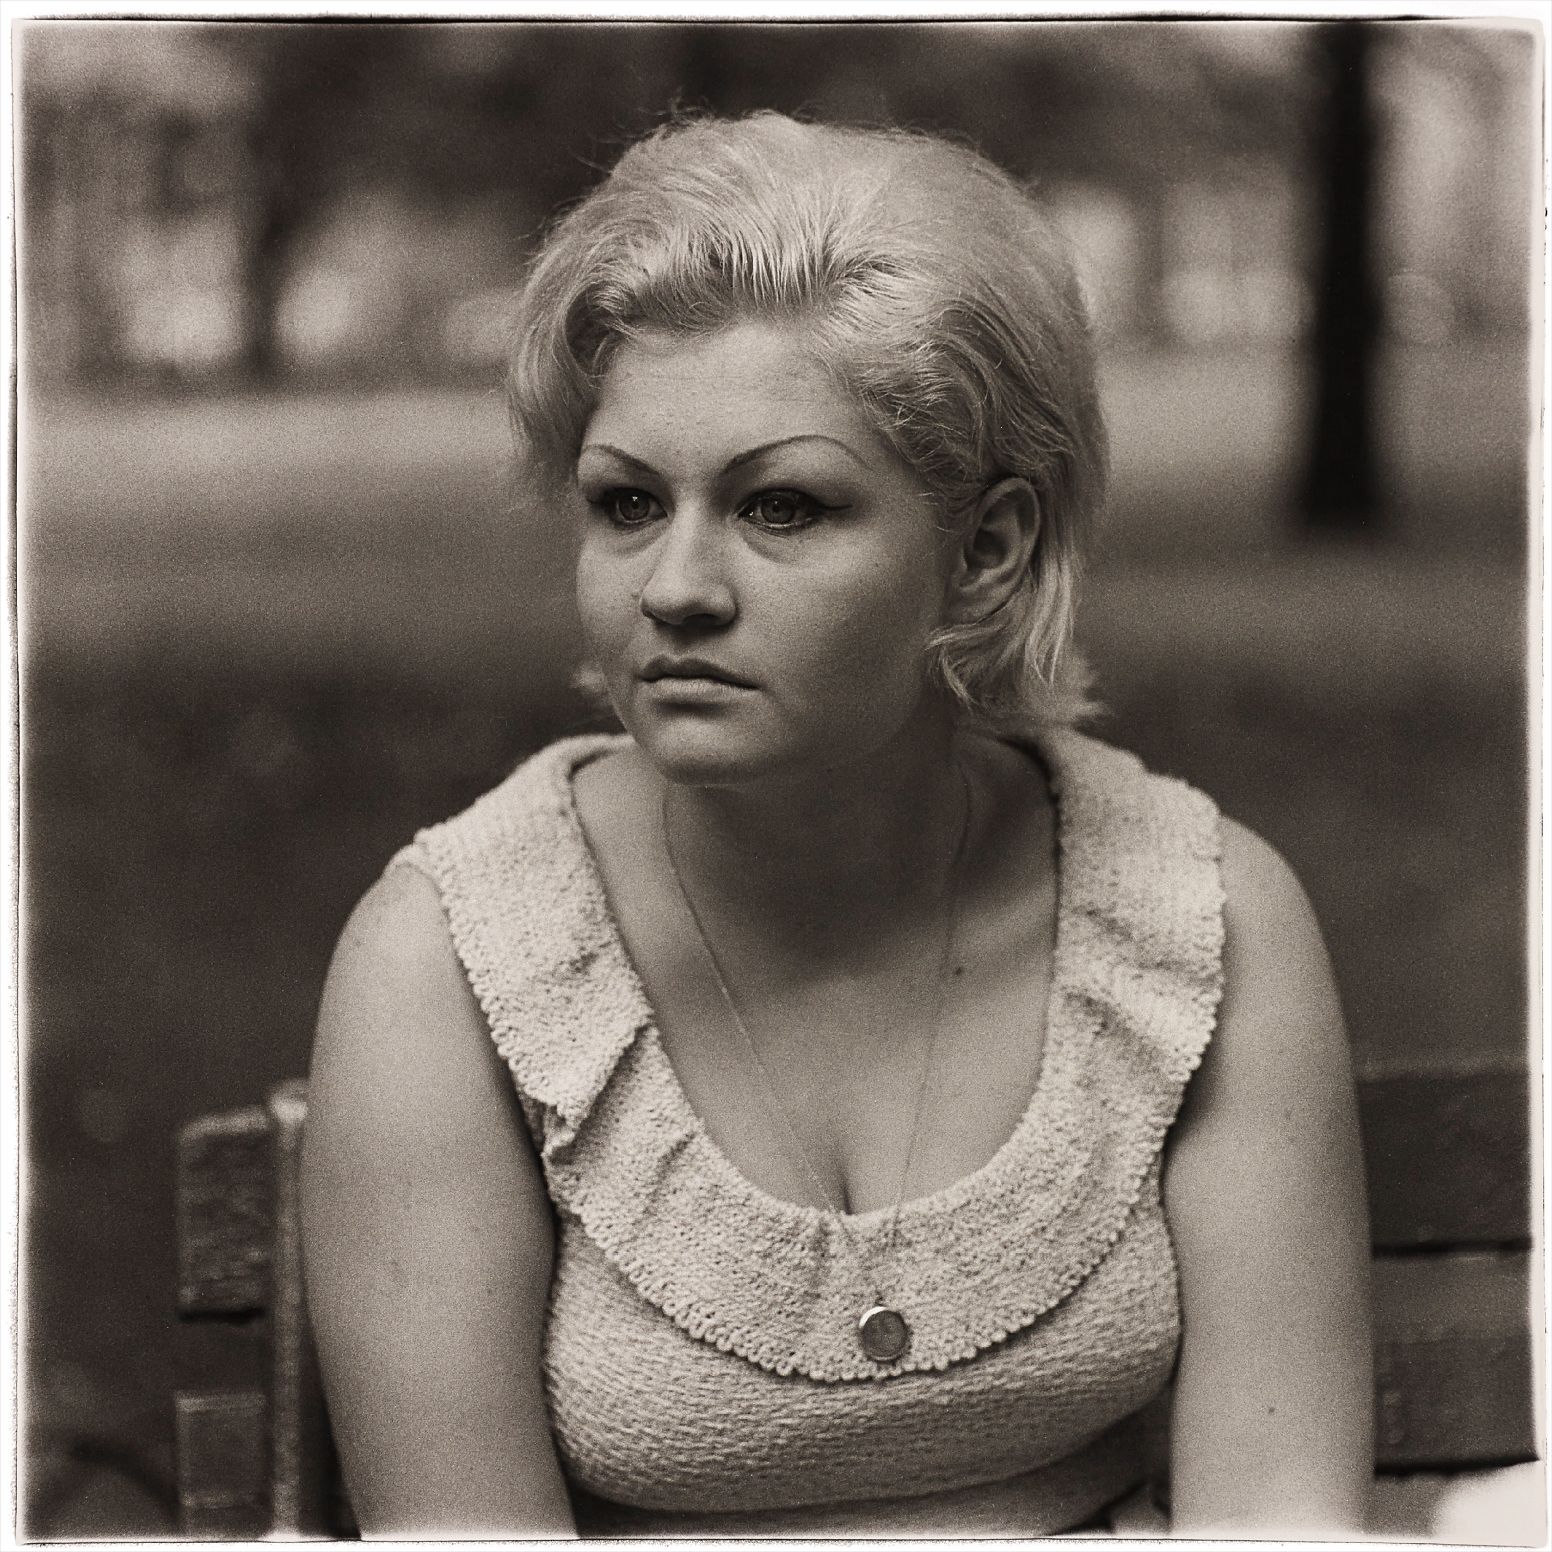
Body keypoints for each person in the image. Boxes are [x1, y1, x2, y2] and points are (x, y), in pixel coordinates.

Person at [299, 111, 1373, 1539]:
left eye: (782, 508)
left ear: (984, 551)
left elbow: (1278, 1522)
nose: (674, 586)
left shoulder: (1202, 922)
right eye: (626, 503)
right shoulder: (449, 966)